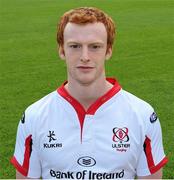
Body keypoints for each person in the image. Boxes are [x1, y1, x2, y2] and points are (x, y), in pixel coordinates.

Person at [11, 7, 168, 179]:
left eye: (94, 47)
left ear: (108, 51)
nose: (84, 56)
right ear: (62, 50)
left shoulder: (142, 115)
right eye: (75, 46)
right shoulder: (34, 116)